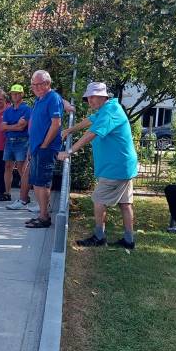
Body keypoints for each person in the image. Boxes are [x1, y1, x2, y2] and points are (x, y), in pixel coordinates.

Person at [58, 82, 139, 248]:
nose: (90, 101)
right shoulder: (107, 109)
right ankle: (129, 240)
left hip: (115, 167)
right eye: (88, 98)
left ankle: (99, 237)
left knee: (98, 199)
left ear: (103, 96)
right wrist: (69, 130)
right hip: (123, 165)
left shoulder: (109, 112)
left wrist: (69, 152)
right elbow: (89, 121)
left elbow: (91, 134)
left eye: (93, 97)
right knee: (125, 203)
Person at [24, 70, 64, 228]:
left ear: (48, 83)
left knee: (43, 183)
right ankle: (41, 214)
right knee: (36, 182)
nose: (36, 87)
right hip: (36, 148)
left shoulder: (53, 98)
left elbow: (56, 124)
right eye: (33, 84)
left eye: (39, 84)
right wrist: (31, 147)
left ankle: (44, 217)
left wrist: (45, 144)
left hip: (46, 148)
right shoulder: (38, 99)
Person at [2, 83, 32, 208]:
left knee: (21, 168)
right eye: (12, 94)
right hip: (9, 141)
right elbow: (2, 127)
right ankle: (7, 193)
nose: (14, 96)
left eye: (17, 94)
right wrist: (15, 126)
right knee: (8, 166)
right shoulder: (8, 110)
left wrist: (9, 126)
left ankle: (25, 195)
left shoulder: (27, 109)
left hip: (22, 141)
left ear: (22, 94)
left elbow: (22, 127)